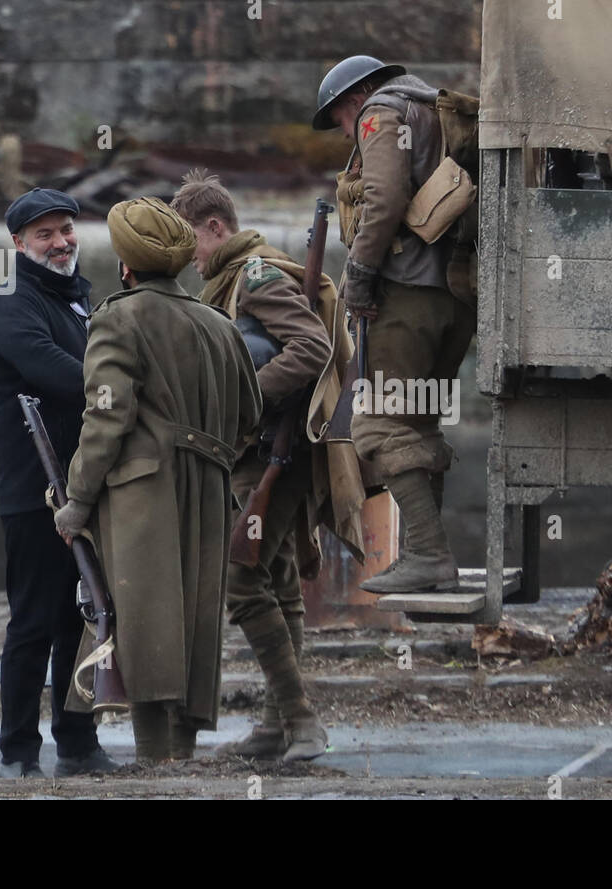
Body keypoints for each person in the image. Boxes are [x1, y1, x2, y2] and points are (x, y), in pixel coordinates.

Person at [53, 197, 263, 764]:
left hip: (141, 495)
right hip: (213, 489)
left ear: (126, 265)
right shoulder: (219, 324)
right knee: (194, 623)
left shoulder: (117, 318)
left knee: (143, 620)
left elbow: (106, 417)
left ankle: (153, 761)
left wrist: (76, 498)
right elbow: (249, 416)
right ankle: (181, 756)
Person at [170, 169, 337, 761]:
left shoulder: (255, 276)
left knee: (241, 582)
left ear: (215, 228)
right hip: (254, 455)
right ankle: (274, 729)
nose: (188, 258)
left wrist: (246, 397)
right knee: (279, 583)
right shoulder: (229, 281)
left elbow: (311, 349)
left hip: (274, 453)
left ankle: (302, 720)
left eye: (190, 241)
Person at [312, 55, 478, 595]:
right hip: (453, 298)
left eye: (339, 118)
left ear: (354, 98)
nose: (344, 131)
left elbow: (383, 200)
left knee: (378, 426)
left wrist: (357, 277)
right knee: (419, 425)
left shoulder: (381, 114)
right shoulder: (437, 109)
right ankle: (426, 559)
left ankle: (429, 556)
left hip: (404, 300)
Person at [0, 187, 117, 778]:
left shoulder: (79, 299)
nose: (61, 242)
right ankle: (17, 752)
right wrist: (120, 387)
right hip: (35, 493)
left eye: (66, 230)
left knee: (82, 619)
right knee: (35, 623)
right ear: (18, 243)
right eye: (45, 234)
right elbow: (53, 371)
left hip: (84, 488)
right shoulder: (12, 302)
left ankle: (78, 743)